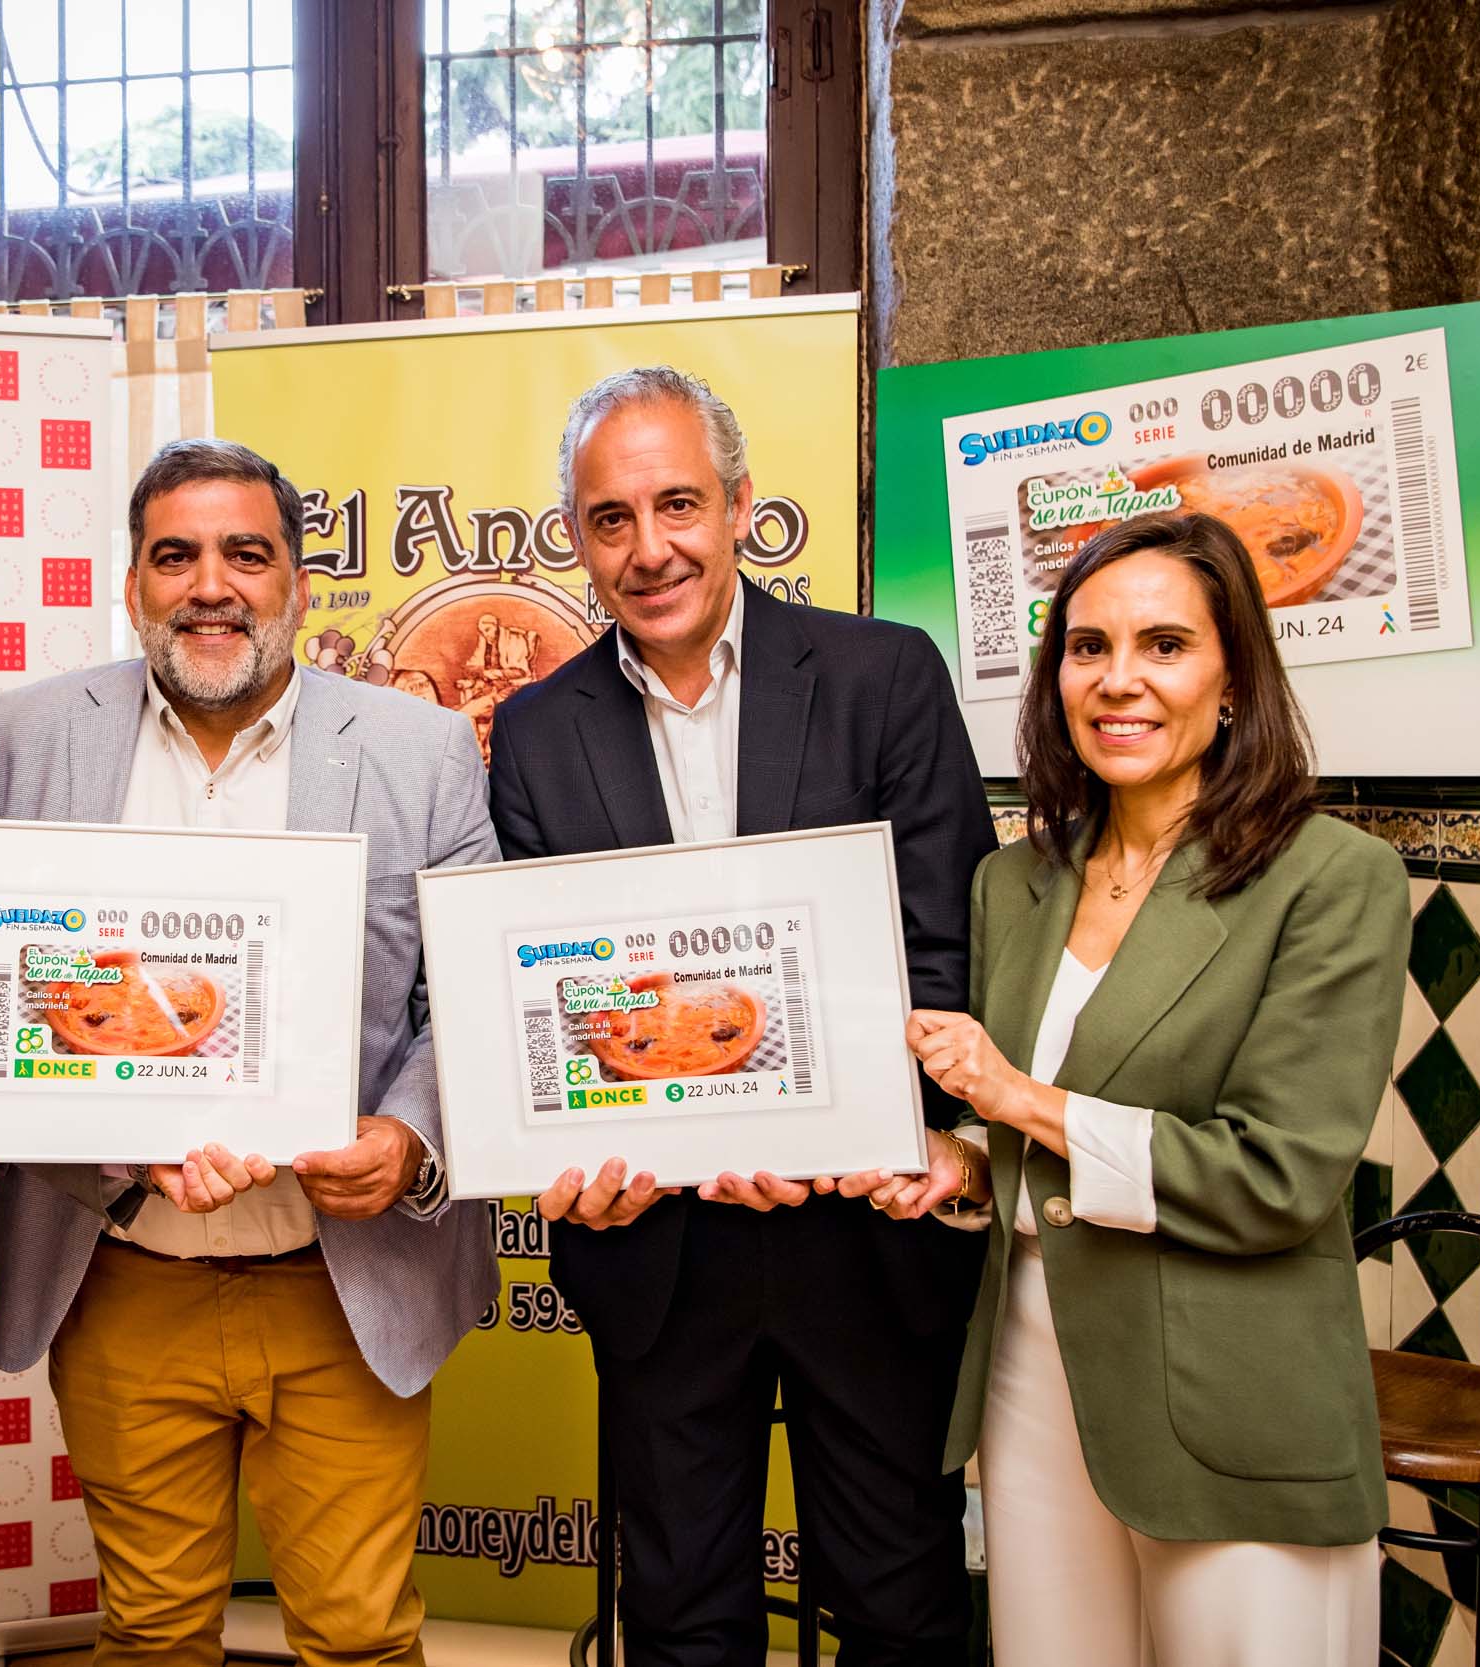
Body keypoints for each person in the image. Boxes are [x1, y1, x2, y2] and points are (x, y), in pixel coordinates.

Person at [486, 366, 995, 1666]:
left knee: (899, 1602)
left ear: (741, 505)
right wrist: (565, 1155)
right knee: (680, 1619)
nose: (649, 548)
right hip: (658, 1252)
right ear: (576, 535)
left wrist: (858, 1126)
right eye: (611, 519)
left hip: (866, 1236)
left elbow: (945, 946)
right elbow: (549, 1003)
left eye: (678, 505)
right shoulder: (538, 733)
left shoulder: (883, 676)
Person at [0, 438, 499, 1667]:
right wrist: (102, 1126)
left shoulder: (420, 750)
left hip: (341, 1277)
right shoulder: (30, 735)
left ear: (298, 585)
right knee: (148, 1632)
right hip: (121, 1268)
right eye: (176, 556)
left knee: (360, 1636)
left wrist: (406, 1136)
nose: (212, 585)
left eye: (245, 554)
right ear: (135, 583)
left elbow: (463, 994)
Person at [850, 510, 1407, 1664]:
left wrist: (1010, 1101)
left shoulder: (1330, 877)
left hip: (1230, 1398)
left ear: (1234, 676)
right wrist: (953, 1161)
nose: (1118, 680)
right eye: (1087, 646)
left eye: (1164, 645)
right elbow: (1016, 1141)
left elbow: (1278, 1176)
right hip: (1030, 1380)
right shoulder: (1016, 882)